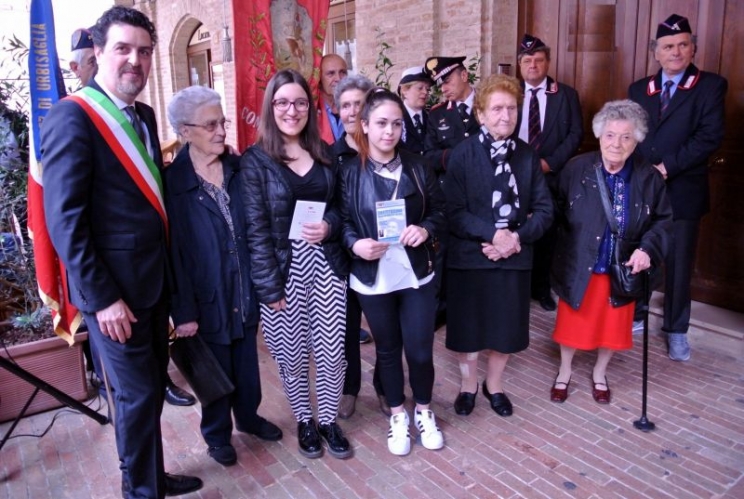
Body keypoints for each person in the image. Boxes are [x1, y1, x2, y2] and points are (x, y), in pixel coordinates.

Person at [41, 6, 202, 498]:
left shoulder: (145, 116)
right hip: (114, 297)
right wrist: (103, 298)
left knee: (149, 391)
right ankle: (141, 492)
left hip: (152, 285)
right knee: (135, 397)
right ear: (98, 52)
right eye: (123, 49)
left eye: (144, 51)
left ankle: (149, 476)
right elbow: (65, 221)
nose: (136, 60)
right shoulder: (72, 116)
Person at [164, 86, 282, 467]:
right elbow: (173, 255)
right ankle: (217, 435)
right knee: (213, 369)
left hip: (242, 285)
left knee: (246, 362)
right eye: (211, 125)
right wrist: (183, 311)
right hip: (206, 294)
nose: (221, 131)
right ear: (185, 131)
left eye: (223, 122)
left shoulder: (238, 169)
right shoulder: (173, 184)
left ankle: (248, 417)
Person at [240, 69, 352, 460]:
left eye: (300, 102)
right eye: (283, 102)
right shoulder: (256, 161)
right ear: (270, 107)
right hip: (283, 268)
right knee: (291, 354)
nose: (292, 110)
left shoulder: (325, 153)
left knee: (331, 351)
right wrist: (269, 288)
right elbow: (255, 230)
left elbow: (341, 208)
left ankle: (328, 420)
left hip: (326, 262)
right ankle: (304, 419)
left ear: (311, 107)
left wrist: (329, 225)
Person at [338, 88, 447, 456]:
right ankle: (398, 415)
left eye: (397, 124)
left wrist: (425, 229)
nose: (389, 131)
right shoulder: (349, 172)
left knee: (420, 350)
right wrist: (355, 244)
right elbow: (342, 221)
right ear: (365, 125)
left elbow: (440, 211)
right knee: (387, 350)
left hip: (415, 272)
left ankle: (424, 411)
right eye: (381, 123)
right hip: (373, 276)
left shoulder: (418, 166)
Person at [443, 74, 553, 418]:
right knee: (469, 330)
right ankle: (468, 385)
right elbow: (454, 212)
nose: (506, 116)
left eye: (512, 108)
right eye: (497, 108)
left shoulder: (528, 156)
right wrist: (493, 236)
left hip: (514, 257)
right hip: (470, 256)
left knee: (504, 329)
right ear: (480, 114)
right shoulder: (462, 155)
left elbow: (545, 210)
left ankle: (494, 385)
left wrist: (514, 239)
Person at [550, 100, 672, 404]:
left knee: (612, 328)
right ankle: (564, 370)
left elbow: (663, 220)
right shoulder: (576, 168)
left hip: (622, 266)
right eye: (610, 135)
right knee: (572, 324)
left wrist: (646, 249)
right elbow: (554, 209)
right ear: (599, 136)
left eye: (626, 137)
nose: (616, 144)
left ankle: (599, 373)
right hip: (580, 263)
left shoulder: (648, 177)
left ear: (637, 140)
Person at [628, 13, 727, 362]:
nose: (676, 52)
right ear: (656, 52)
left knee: (680, 264)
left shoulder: (711, 86)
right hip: (645, 190)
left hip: (684, 190)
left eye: (683, 44)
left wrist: (666, 167)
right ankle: (637, 311)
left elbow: (709, 137)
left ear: (693, 48)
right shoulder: (639, 89)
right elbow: (632, 134)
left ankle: (675, 330)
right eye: (668, 46)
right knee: (641, 254)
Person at [330, 74, 385, 420]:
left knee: (385, 328)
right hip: (344, 256)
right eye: (345, 105)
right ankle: (349, 389)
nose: (351, 111)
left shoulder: (385, 150)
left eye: (358, 104)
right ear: (337, 110)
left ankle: (385, 386)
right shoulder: (328, 156)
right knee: (347, 328)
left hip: (382, 254)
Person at [515, 34, 583, 312]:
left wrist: (549, 162)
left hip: (550, 177)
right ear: (520, 65)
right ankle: (519, 289)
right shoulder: (510, 92)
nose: (533, 65)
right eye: (527, 61)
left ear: (548, 63)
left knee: (547, 234)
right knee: (515, 229)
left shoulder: (566, 95)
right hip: (514, 175)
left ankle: (542, 289)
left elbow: (575, 134)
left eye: (538, 60)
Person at [423, 56, 479, 181]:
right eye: (440, 85)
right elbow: (429, 156)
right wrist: (458, 156)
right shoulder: (437, 114)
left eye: (447, 81)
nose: (443, 89)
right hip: (451, 184)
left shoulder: (488, 105)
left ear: (464, 76)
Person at [397, 66, 433, 155]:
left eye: (427, 89)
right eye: (420, 88)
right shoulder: (396, 118)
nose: (425, 92)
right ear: (405, 90)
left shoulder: (432, 118)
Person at [318, 53, 349, 143]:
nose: (338, 79)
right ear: (319, 78)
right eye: (331, 73)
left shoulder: (355, 108)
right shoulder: (312, 110)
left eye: (342, 72)